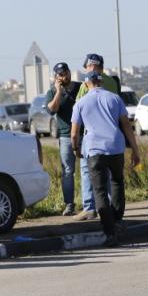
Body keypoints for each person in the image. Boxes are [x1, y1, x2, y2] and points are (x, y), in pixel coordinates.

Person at [70, 71, 141, 246]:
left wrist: (76, 148)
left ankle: (109, 232)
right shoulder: (115, 98)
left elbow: (73, 133)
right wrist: (135, 150)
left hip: (94, 149)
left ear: (86, 84)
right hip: (116, 147)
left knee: (99, 190)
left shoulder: (81, 103)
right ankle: (117, 220)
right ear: (100, 82)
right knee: (117, 182)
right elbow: (126, 125)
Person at [73, 53, 119, 221]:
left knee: (88, 171)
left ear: (90, 66)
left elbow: (78, 107)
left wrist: (75, 143)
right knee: (110, 175)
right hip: (112, 136)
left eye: (86, 67)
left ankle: (90, 208)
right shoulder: (112, 82)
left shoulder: (87, 84)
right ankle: (110, 207)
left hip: (91, 136)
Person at [45, 62, 81, 216]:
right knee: (67, 171)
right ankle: (69, 204)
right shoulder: (52, 92)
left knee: (90, 169)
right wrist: (59, 92)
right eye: (60, 74)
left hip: (84, 134)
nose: (64, 76)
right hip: (66, 136)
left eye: (65, 73)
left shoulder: (80, 87)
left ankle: (92, 203)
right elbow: (52, 110)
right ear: (56, 77)